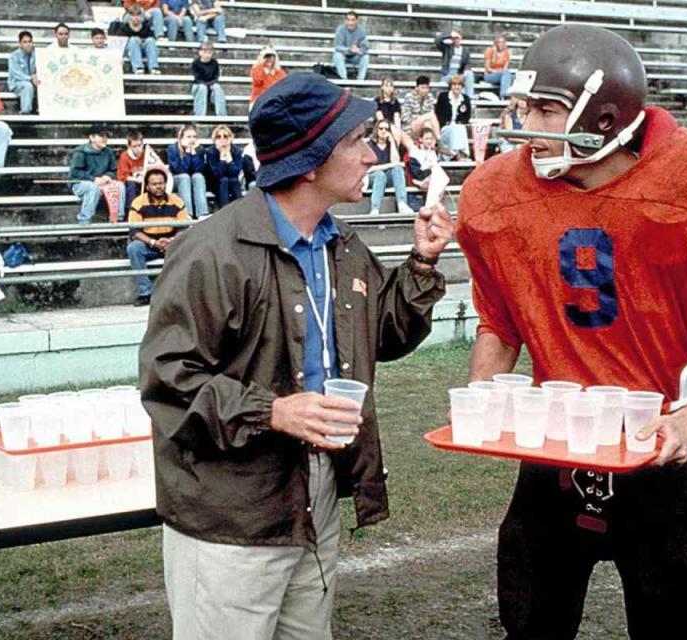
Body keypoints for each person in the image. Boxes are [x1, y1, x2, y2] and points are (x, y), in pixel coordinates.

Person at [457, 25, 687, 640]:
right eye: (524, 106)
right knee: (529, 624)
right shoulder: (496, 191)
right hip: (555, 444)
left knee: (668, 626)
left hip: (661, 446)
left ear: (604, 120)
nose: (526, 125)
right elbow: (499, 323)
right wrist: (482, 396)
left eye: (545, 110)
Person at [138, 71, 453, 640]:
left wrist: (422, 263)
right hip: (231, 513)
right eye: (357, 142)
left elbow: (382, 336)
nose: (371, 154)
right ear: (310, 162)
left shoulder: (342, 245)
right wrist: (274, 412)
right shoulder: (212, 252)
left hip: (315, 494)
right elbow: (168, 378)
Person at [127, 167, 190, 306]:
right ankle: (145, 293)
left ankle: (180, 293)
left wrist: (172, 241)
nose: (158, 187)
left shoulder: (177, 201)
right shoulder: (138, 202)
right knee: (134, 248)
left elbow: (184, 228)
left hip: (172, 242)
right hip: (149, 243)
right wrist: (154, 243)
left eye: (161, 183)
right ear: (148, 186)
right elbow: (134, 231)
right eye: (154, 184)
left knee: (189, 245)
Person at [69, 126, 125, 224]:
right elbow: (75, 173)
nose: (104, 139)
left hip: (103, 183)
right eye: (101, 136)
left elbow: (114, 170)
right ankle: (84, 220)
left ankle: (117, 218)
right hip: (81, 183)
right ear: (92, 137)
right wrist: (93, 179)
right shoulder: (80, 152)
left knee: (120, 186)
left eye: (106, 136)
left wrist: (108, 176)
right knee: (93, 188)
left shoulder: (108, 152)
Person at [367, 120, 414, 216]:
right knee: (380, 175)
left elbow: (395, 162)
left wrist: (392, 142)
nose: (384, 131)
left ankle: (402, 204)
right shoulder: (370, 145)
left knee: (398, 169)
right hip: (373, 177)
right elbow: (370, 168)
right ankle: (375, 209)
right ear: (376, 130)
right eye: (381, 128)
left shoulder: (390, 145)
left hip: (387, 176)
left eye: (386, 129)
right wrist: (389, 166)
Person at [166, 124, 208, 218]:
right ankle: (186, 214)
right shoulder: (172, 149)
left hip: (191, 178)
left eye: (194, 137)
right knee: (185, 177)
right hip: (176, 179)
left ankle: (202, 213)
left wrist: (194, 154)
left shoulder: (199, 149)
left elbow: (199, 169)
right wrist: (188, 154)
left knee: (198, 176)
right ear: (181, 138)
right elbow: (179, 170)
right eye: (188, 137)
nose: (192, 139)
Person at [206, 124, 243, 208]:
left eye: (225, 136)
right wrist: (222, 159)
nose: (222, 139)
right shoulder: (211, 152)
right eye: (218, 137)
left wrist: (229, 158)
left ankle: (241, 209)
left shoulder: (236, 151)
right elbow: (218, 174)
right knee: (224, 180)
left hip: (232, 181)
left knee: (233, 180)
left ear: (230, 138)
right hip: (215, 182)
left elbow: (235, 172)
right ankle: (224, 210)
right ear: (214, 139)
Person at [435, 75, 471, 161]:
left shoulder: (465, 99)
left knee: (459, 128)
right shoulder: (443, 97)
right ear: (450, 86)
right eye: (454, 85)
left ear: (462, 87)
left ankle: (461, 154)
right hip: (445, 128)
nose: (456, 87)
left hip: (459, 128)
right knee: (455, 128)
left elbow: (467, 117)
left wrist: (459, 122)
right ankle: (459, 155)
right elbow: (438, 113)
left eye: (459, 85)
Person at [121, 6, 161, 75]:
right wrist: (135, 39)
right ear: (130, 16)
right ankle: (138, 67)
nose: (136, 18)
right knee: (133, 40)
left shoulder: (146, 27)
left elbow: (151, 38)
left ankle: (153, 67)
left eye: (137, 15)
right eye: (133, 15)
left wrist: (142, 40)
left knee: (150, 41)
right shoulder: (124, 28)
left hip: (144, 50)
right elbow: (121, 42)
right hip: (130, 51)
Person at [332, 10, 370, 81]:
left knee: (366, 56)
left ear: (356, 21)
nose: (351, 23)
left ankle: (360, 80)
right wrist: (349, 49)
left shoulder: (361, 30)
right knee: (337, 55)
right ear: (345, 21)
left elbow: (365, 45)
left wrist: (360, 50)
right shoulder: (340, 29)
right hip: (343, 55)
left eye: (353, 20)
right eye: (348, 20)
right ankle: (344, 79)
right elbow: (337, 46)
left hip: (355, 56)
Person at [192, 41, 227, 117]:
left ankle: (222, 115)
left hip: (211, 86)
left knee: (218, 87)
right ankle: (199, 115)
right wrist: (208, 85)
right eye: (205, 52)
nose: (207, 55)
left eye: (209, 53)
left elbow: (216, 77)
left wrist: (213, 85)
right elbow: (197, 79)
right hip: (199, 86)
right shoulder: (195, 63)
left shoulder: (215, 63)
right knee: (202, 88)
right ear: (200, 52)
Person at [8, 31, 39, 115]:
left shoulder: (36, 54)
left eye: (30, 41)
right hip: (17, 83)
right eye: (25, 42)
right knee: (27, 86)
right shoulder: (14, 56)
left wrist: (36, 77)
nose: (28, 44)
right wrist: (30, 78)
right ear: (20, 44)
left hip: (33, 81)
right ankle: (25, 112)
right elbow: (16, 73)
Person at [400, 75, 440, 140]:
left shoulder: (430, 97)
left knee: (428, 124)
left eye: (427, 88)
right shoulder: (409, 97)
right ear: (417, 87)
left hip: (424, 125)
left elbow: (432, 116)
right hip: (410, 128)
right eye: (422, 88)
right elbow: (404, 118)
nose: (425, 90)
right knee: (430, 116)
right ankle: (439, 141)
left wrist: (419, 117)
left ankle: (428, 146)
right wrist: (421, 118)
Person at [435, 30, 474, 98]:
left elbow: (468, 63)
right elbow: (437, 40)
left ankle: (470, 97)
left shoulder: (465, 50)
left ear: (460, 38)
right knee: (442, 89)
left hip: (459, 73)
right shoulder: (447, 48)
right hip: (448, 73)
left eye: (457, 38)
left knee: (470, 74)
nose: (455, 40)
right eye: (454, 38)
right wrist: (449, 35)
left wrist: (464, 71)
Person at [118, 129, 147, 216]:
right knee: (131, 184)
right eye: (134, 146)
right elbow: (122, 177)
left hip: (144, 182)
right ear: (129, 146)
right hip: (131, 185)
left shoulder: (147, 154)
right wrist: (136, 179)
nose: (138, 149)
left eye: (139, 145)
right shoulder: (125, 156)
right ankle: (131, 211)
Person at [407, 128, 439, 197]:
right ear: (421, 139)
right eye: (427, 139)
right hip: (419, 177)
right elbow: (416, 172)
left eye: (431, 139)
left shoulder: (433, 152)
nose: (429, 141)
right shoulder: (414, 151)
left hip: (431, 178)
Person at [483, 33, 512, 99]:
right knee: (505, 73)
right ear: (496, 43)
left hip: (502, 75)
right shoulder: (489, 51)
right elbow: (487, 68)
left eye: (502, 42)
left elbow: (505, 68)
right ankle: (504, 94)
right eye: (499, 42)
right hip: (490, 75)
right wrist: (498, 71)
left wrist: (502, 72)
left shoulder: (507, 53)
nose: (501, 44)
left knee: (514, 77)